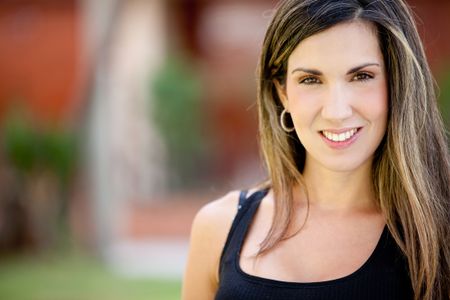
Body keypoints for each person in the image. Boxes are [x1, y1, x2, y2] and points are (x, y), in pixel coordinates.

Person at [182, 0, 450, 299]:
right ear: (282, 92)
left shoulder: (439, 235)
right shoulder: (218, 227)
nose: (336, 111)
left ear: (397, 83)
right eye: (310, 80)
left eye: (361, 76)